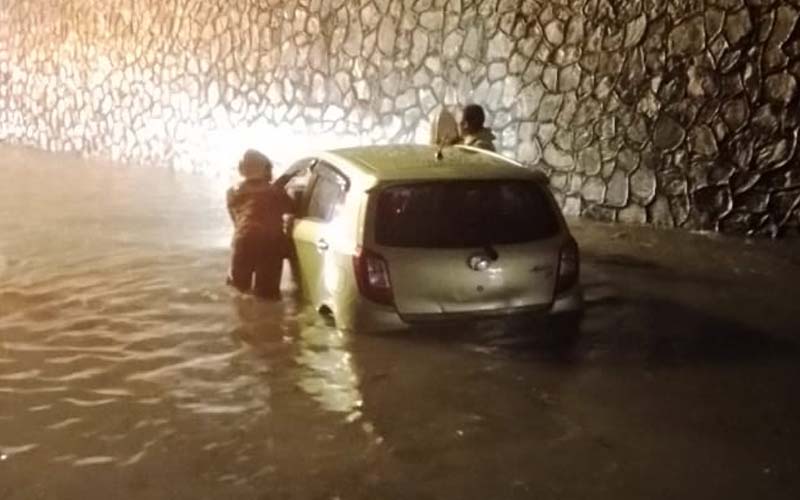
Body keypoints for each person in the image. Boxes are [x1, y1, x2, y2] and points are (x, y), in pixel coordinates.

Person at [226, 149, 294, 299]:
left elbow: (236, 221)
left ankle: (242, 320)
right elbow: (292, 208)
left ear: (242, 169)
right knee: (268, 296)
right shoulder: (276, 192)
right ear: (265, 169)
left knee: (239, 292)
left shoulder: (232, 192)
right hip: (271, 242)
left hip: (243, 240)